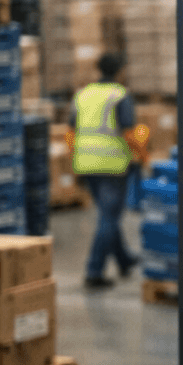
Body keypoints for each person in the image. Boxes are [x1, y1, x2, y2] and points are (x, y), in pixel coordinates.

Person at [73, 52, 144, 289]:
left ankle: (124, 259)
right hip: (112, 164)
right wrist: (143, 154)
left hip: (85, 162)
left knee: (107, 213)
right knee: (109, 217)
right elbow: (127, 132)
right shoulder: (120, 95)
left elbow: (70, 130)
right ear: (120, 71)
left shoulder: (83, 94)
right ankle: (94, 271)